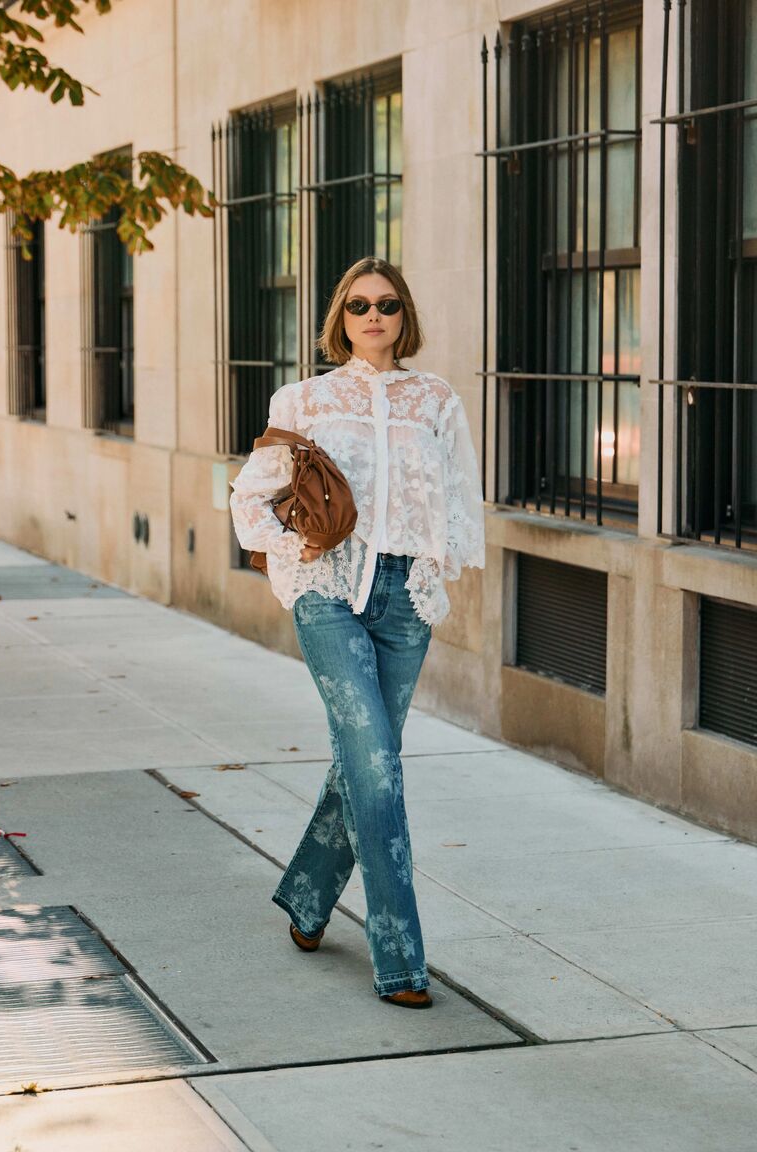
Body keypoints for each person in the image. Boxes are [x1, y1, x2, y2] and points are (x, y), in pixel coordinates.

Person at [230, 256, 485, 1008]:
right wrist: (288, 547)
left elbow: (461, 494)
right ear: (339, 318)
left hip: (404, 598)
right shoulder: (305, 399)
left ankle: (309, 899)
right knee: (375, 764)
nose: (373, 317)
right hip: (327, 591)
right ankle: (400, 956)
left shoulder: (434, 399)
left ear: (406, 316)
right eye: (358, 306)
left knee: (366, 763)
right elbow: (253, 492)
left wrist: (440, 568)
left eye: (388, 305)